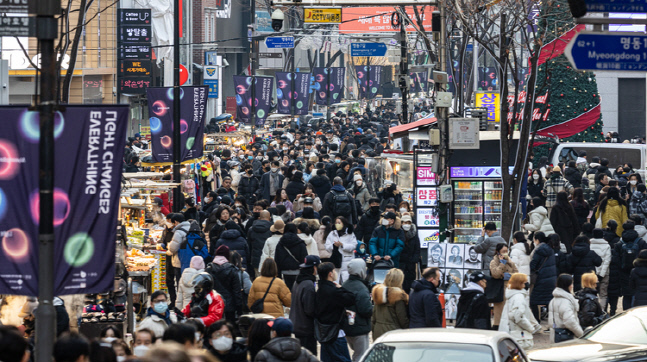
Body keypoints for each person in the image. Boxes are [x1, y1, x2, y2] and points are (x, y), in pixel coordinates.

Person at [315, 262, 356, 362]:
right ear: (330, 274)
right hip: (335, 333)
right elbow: (351, 298)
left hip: (324, 332)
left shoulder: (320, 289)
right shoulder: (333, 291)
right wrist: (341, 288)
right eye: (334, 271)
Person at [498, 273, 542, 349]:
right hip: (518, 335)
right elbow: (518, 316)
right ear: (520, 283)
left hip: (510, 331)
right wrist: (530, 328)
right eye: (525, 282)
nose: (527, 284)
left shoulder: (512, 295)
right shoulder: (519, 297)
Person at [341, 259, 372, 362]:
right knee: (361, 356)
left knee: (356, 355)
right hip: (360, 328)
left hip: (347, 326)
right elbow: (365, 310)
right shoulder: (361, 288)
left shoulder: (345, 284)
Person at [289, 255, 320, 356]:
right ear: (314, 268)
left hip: (296, 324)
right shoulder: (308, 285)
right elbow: (309, 309)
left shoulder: (297, 282)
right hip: (306, 328)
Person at [206, 245, 242, 323]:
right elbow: (237, 291)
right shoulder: (232, 269)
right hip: (229, 305)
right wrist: (239, 309)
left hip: (213, 304)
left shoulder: (209, 269)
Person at [371, 268, 409, 339]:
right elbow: (402, 318)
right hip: (393, 332)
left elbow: (373, 317)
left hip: (378, 331)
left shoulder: (378, 293)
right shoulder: (398, 296)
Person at [529, 232, 558, 322]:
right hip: (551, 278)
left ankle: (536, 321)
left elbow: (533, 265)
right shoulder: (550, 249)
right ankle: (552, 322)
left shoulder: (539, 250)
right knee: (549, 300)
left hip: (541, 278)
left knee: (533, 301)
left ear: (536, 240)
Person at [490, 243, 518, 328]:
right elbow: (495, 274)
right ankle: (497, 326)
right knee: (499, 311)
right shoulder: (494, 262)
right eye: (503, 251)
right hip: (499, 289)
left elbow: (516, 273)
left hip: (510, 288)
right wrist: (502, 264)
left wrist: (506, 275)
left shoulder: (510, 261)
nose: (506, 253)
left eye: (507, 251)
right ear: (498, 252)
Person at [549, 274, 584, 342]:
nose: (572, 286)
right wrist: (581, 334)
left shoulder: (553, 300)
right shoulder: (566, 302)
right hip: (566, 337)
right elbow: (570, 322)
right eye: (571, 283)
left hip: (555, 335)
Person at [275, 223, 308, 288]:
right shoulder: (300, 243)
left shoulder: (280, 244)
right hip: (298, 270)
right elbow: (304, 258)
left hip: (284, 272)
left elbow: (277, 259)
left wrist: (278, 276)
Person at [325, 216, 358, 282]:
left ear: (344, 224)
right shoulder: (332, 234)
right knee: (335, 281)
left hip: (347, 261)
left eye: (339, 223)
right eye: (336, 222)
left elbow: (354, 245)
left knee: (346, 281)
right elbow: (327, 246)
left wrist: (342, 245)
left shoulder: (350, 234)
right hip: (336, 261)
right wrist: (334, 246)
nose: (337, 224)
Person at [167, 213, 191, 297]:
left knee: (180, 284)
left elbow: (173, 248)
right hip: (191, 260)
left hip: (179, 262)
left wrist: (168, 245)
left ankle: (181, 303)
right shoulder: (191, 228)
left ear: (176, 222)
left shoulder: (178, 232)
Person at [589, 228, 612, 307]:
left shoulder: (589, 245)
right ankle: (602, 312)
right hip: (604, 273)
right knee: (603, 294)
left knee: (591, 293)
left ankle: (593, 311)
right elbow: (607, 261)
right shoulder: (607, 246)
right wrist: (601, 274)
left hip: (591, 273)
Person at [248, 210, 273, 277]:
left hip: (256, 260)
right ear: (270, 218)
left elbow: (249, 245)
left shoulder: (251, 229)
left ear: (259, 218)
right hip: (270, 261)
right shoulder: (272, 229)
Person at [399, 213, 421, 293]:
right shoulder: (398, 233)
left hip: (410, 264)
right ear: (401, 223)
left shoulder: (414, 234)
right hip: (400, 262)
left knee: (410, 283)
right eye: (405, 222)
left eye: (408, 222)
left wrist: (414, 259)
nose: (407, 224)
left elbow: (417, 248)